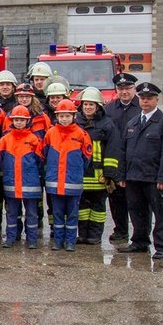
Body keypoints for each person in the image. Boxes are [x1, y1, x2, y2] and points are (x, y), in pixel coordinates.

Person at [117, 82, 163, 264]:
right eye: (142, 98)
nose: (145, 101)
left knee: (161, 214)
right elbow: (124, 151)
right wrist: (122, 175)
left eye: (149, 98)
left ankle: (162, 248)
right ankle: (140, 242)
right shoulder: (133, 123)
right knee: (137, 212)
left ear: (156, 100)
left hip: (154, 179)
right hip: (134, 177)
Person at [42, 100, 92, 251]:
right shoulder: (50, 133)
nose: (64, 119)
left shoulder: (82, 134)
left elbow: (86, 158)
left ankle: (70, 241)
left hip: (73, 183)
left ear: (73, 116)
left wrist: (76, 173)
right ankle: (58, 241)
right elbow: (44, 154)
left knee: (72, 214)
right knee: (57, 213)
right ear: (57, 116)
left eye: (67, 116)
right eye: (61, 116)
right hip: (55, 183)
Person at [75, 87, 120, 245]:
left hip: (99, 175)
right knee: (81, 207)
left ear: (98, 106)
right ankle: (82, 234)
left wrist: (109, 173)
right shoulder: (76, 122)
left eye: (91, 105)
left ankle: (94, 235)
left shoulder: (107, 125)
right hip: (81, 174)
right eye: (85, 104)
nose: (88, 107)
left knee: (98, 208)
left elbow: (112, 150)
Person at [0, 106, 44, 249]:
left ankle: (32, 240)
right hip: (11, 183)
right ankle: (11, 238)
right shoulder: (5, 140)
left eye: (22, 120)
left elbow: (40, 161)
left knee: (31, 214)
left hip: (30, 184)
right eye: (16, 120)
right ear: (11, 121)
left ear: (28, 121)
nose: (18, 122)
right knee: (12, 214)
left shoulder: (34, 139)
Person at [103, 72, 141, 243]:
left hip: (136, 160)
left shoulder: (142, 107)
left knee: (137, 201)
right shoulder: (108, 109)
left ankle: (140, 234)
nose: (124, 92)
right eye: (121, 88)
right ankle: (120, 230)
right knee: (116, 199)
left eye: (128, 88)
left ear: (134, 89)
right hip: (115, 159)